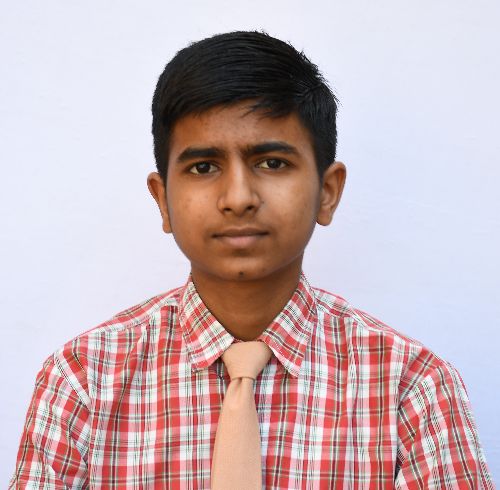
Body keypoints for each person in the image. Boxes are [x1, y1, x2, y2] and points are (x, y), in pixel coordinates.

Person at [10, 31, 493, 489]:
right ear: (163, 200)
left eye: (272, 163)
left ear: (327, 191)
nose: (238, 197)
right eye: (203, 167)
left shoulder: (411, 387)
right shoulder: (84, 380)